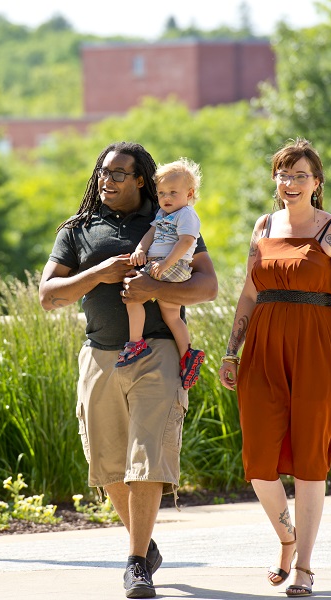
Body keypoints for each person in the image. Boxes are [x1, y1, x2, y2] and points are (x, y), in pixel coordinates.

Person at [39, 141, 218, 599]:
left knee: (148, 459)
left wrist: (151, 285)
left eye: (119, 173)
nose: (108, 180)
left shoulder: (168, 218)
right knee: (109, 464)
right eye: (103, 172)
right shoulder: (77, 229)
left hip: (155, 352)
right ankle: (145, 544)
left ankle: (136, 563)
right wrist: (100, 272)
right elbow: (49, 294)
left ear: (142, 180)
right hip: (100, 354)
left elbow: (208, 286)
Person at [217, 138, 331, 598]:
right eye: (283, 174)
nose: (290, 182)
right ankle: (286, 537)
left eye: (300, 174)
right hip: (263, 349)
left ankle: (304, 565)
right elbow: (248, 293)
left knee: (310, 461)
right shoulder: (263, 226)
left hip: (318, 349)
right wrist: (232, 351)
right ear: (275, 180)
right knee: (259, 461)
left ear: (317, 182)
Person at [122, 158, 206, 390]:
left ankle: (135, 343)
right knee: (172, 316)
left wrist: (167, 263)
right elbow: (151, 233)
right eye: (161, 193)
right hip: (163, 265)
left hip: (172, 265)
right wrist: (140, 249)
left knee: (133, 290)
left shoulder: (186, 214)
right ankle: (187, 355)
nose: (166, 198)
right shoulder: (162, 214)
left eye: (172, 193)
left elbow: (187, 241)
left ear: (189, 194)